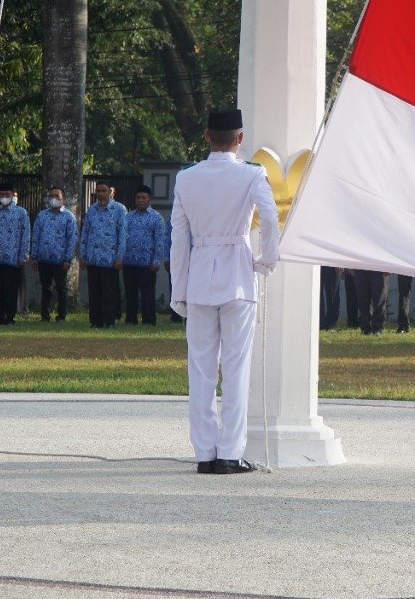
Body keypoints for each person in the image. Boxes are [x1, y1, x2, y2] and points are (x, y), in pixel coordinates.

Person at [170, 108, 279, 475]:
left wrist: (178, 289)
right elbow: (270, 217)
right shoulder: (251, 174)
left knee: (200, 370)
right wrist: (266, 260)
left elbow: (178, 240)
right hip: (237, 275)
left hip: (200, 276)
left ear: (206, 137)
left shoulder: (186, 179)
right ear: (240, 138)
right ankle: (230, 452)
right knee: (235, 368)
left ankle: (204, 452)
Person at [80, 180, 127, 328]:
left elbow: (123, 235)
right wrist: (83, 256)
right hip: (93, 258)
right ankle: (95, 321)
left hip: (110, 259)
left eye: (103, 191)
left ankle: (109, 321)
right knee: (94, 292)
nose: (100, 194)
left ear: (110, 192)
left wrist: (120, 257)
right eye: (98, 191)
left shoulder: (119, 209)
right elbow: (85, 234)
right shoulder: (91, 210)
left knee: (109, 292)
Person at [0, 182, 30, 325]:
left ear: (12, 195)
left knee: (10, 288)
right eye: (2, 195)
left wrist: (23, 255)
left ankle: (10, 316)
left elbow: (26, 235)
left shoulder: (21, 213)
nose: (4, 197)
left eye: (7, 195)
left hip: (13, 258)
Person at [32, 186, 77, 322]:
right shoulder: (42, 216)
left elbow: (72, 239)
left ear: (63, 199)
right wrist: (34, 257)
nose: (54, 199)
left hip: (60, 260)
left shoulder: (69, 217)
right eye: (51, 196)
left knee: (61, 288)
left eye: (57, 196)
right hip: (44, 259)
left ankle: (61, 315)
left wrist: (68, 259)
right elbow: (36, 237)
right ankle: (44, 315)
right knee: (46, 288)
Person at [123, 185, 166, 325]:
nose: (140, 200)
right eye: (138, 198)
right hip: (129, 261)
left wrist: (156, 260)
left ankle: (148, 320)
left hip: (147, 263)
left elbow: (159, 241)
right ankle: (130, 319)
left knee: (147, 294)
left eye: (144, 198)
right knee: (130, 293)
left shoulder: (156, 218)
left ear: (149, 199)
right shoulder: (128, 217)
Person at [353, 269, 389, 335]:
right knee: (362, 300)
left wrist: (388, 267)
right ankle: (365, 327)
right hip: (361, 268)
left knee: (379, 300)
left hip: (379, 268)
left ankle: (378, 327)